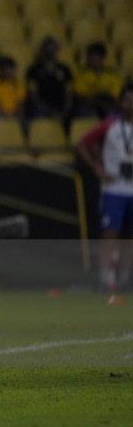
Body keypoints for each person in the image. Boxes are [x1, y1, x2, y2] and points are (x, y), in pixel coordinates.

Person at [76, 85, 133, 292]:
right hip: (114, 189)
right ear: (120, 102)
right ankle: (105, 280)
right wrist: (97, 168)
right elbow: (81, 144)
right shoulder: (110, 125)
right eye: (127, 100)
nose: (131, 104)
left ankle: (124, 279)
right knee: (110, 235)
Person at [26, 35, 73, 122]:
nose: (50, 51)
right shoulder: (34, 70)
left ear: (57, 50)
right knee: (36, 112)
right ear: (42, 50)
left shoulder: (64, 69)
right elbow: (33, 95)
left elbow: (69, 93)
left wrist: (65, 111)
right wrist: (49, 111)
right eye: (48, 48)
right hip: (42, 109)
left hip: (61, 108)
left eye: (53, 48)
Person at [73, 42, 121, 119]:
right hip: (89, 105)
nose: (88, 61)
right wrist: (96, 101)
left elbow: (116, 95)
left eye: (92, 58)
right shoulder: (82, 74)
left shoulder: (112, 74)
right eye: (88, 58)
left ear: (101, 58)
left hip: (108, 104)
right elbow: (79, 94)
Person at [0, 55, 25, 120]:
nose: (6, 72)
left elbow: (20, 103)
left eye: (9, 69)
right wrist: (5, 115)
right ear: (0, 71)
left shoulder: (18, 85)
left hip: (14, 114)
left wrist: (15, 114)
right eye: (4, 69)